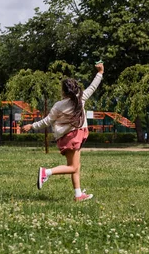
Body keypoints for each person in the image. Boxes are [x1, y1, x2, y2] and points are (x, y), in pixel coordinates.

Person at [22, 62, 104, 202]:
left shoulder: (59, 106)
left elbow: (47, 121)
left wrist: (32, 126)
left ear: (63, 92)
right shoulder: (80, 99)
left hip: (67, 137)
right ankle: (46, 172)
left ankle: (78, 195)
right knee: (73, 167)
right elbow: (93, 86)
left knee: (76, 166)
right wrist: (100, 73)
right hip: (74, 136)